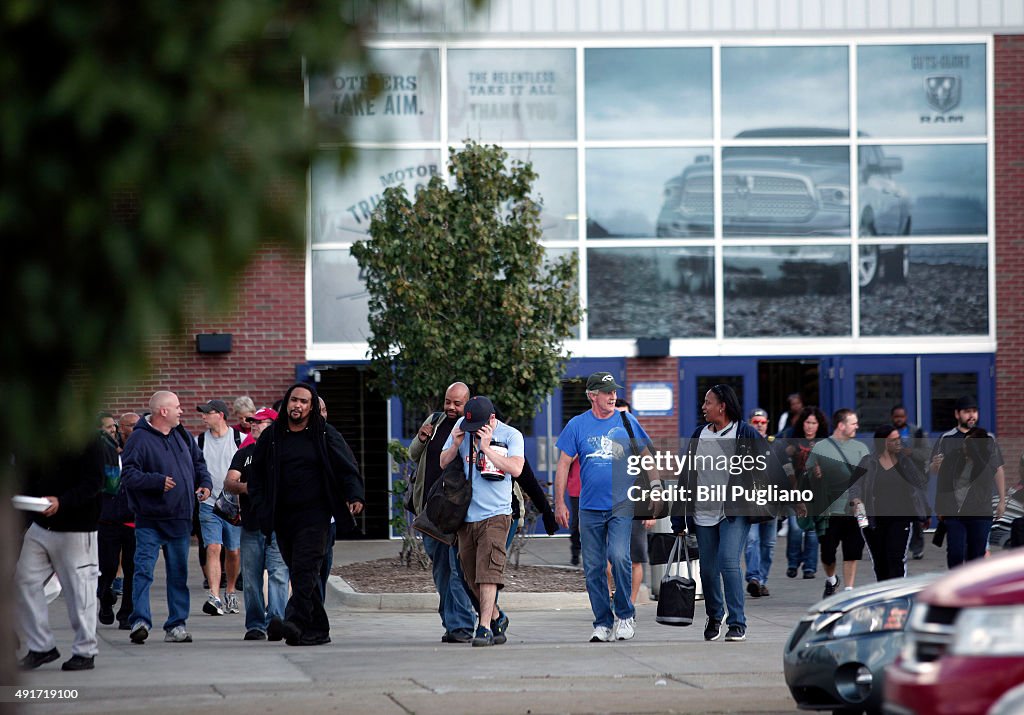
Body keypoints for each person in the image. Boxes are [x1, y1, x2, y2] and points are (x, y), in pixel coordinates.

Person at [248, 382, 364, 646]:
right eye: (293, 400)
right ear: (287, 403)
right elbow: (256, 476)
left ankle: (293, 620)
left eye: (303, 401)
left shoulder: (324, 434)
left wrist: (354, 495)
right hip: (282, 517)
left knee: (305, 570)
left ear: (311, 407)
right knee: (300, 572)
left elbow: (347, 465)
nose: (297, 406)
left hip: (315, 516)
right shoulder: (273, 436)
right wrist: (259, 503)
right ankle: (317, 630)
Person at [554, 372, 661, 643]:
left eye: (614, 391)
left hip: (621, 507)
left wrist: (656, 489)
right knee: (593, 567)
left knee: (620, 557)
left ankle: (625, 615)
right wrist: (559, 502)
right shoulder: (577, 425)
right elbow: (564, 464)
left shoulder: (627, 421)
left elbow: (647, 457)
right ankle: (602, 622)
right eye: (607, 391)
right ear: (592, 396)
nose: (613, 395)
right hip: (589, 509)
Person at [670, 384, 771, 643]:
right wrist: (678, 516)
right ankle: (715, 615)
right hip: (702, 512)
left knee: (728, 562)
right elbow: (686, 477)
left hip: (733, 512)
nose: (704, 407)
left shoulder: (744, 432)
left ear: (722, 406)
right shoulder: (699, 435)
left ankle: (737, 623)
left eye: (708, 402)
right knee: (707, 570)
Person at [120, 391, 213, 644]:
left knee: (178, 574)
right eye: (177, 407)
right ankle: (140, 621)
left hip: (180, 519)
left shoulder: (182, 434)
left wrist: (205, 483)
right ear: (163, 411)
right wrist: (157, 482)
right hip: (149, 520)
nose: (181, 411)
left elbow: (198, 463)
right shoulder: (139, 439)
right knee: (143, 571)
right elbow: (128, 475)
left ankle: (176, 625)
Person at [14, 434, 104, 671]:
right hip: (40, 524)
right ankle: (41, 646)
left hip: (77, 528)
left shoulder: (90, 440)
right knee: (24, 581)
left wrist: (62, 501)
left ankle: (85, 651)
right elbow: (28, 478)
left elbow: (94, 482)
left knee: (80, 591)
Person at [440, 396, 524, 647]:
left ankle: (484, 627)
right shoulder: (461, 432)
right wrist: (455, 445)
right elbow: (443, 463)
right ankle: (497, 617)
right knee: (470, 577)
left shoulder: (511, 435)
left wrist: (486, 448)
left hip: (496, 515)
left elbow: (516, 469)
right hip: (466, 517)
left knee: (488, 572)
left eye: (478, 426)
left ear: (491, 420)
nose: (473, 432)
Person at [409, 383, 477, 643]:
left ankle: (461, 625)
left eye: (457, 403)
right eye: (448, 402)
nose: (450, 407)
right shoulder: (435, 421)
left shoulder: (471, 425)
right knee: (441, 571)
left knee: (457, 569)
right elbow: (413, 455)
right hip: (431, 511)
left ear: (467, 403)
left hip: (459, 512)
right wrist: (421, 438)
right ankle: (451, 622)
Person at [224, 407, 289, 641]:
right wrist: (247, 487)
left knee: (279, 574)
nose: (254, 425)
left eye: (260, 422)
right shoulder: (245, 453)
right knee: (251, 579)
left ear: (273, 425)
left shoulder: (286, 452)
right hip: (252, 525)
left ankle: (276, 621)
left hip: (280, 525)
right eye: (252, 421)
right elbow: (230, 482)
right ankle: (255, 625)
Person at [931, 396, 1006, 568]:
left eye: (974, 411)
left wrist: (1002, 500)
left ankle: (974, 590)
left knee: (977, 556)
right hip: (953, 508)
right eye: (967, 412)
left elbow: (998, 469)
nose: (971, 415)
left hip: (980, 506)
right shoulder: (946, 438)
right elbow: (936, 472)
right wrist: (935, 466)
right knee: (956, 552)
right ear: (957, 414)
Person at [804, 409, 869, 598]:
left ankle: (848, 590)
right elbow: (807, 475)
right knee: (827, 553)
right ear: (841, 425)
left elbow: (867, 478)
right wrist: (814, 476)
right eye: (853, 423)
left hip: (853, 509)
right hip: (828, 511)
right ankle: (832, 580)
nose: (857, 426)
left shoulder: (861, 448)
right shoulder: (821, 448)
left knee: (852, 551)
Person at [851, 425, 929, 581]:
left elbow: (917, 487)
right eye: (893, 440)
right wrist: (856, 500)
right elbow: (855, 486)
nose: (899, 442)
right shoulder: (868, 461)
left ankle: (898, 599)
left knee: (896, 559)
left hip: (901, 518)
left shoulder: (905, 462)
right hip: (874, 520)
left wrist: (925, 512)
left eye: (899, 438)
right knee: (880, 563)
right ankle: (884, 597)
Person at [196, 399, 243, 617]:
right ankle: (214, 596)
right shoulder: (199, 442)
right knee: (213, 547)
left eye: (208, 413)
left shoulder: (239, 439)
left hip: (233, 505)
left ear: (221, 415)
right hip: (208, 504)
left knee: (233, 551)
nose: (203, 416)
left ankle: (231, 590)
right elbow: (195, 469)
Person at [96, 413, 136, 630]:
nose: (112, 430)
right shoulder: (101, 451)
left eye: (113, 426)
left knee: (132, 569)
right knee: (108, 567)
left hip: (133, 519)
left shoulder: (140, 448)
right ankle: (105, 597)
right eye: (108, 427)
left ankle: (126, 613)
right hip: (108, 519)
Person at [785, 406, 828, 579]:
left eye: (813, 423)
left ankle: (810, 567)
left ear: (819, 425)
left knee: (811, 531)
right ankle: (793, 563)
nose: (810, 426)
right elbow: (785, 465)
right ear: (802, 424)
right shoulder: (792, 442)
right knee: (795, 528)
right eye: (807, 422)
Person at [744, 408, 777, 597]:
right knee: (752, 540)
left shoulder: (776, 445)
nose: (759, 425)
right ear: (750, 423)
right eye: (755, 421)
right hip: (750, 501)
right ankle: (754, 578)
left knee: (769, 544)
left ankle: (762, 580)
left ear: (767, 424)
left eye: (762, 422)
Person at [891, 405, 930, 559]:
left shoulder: (917, 432)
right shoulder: (888, 432)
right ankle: (900, 546)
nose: (899, 419)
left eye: (901, 416)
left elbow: (927, 453)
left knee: (917, 514)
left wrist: (911, 452)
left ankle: (917, 548)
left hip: (914, 478)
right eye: (896, 416)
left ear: (906, 417)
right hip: (895, 479)